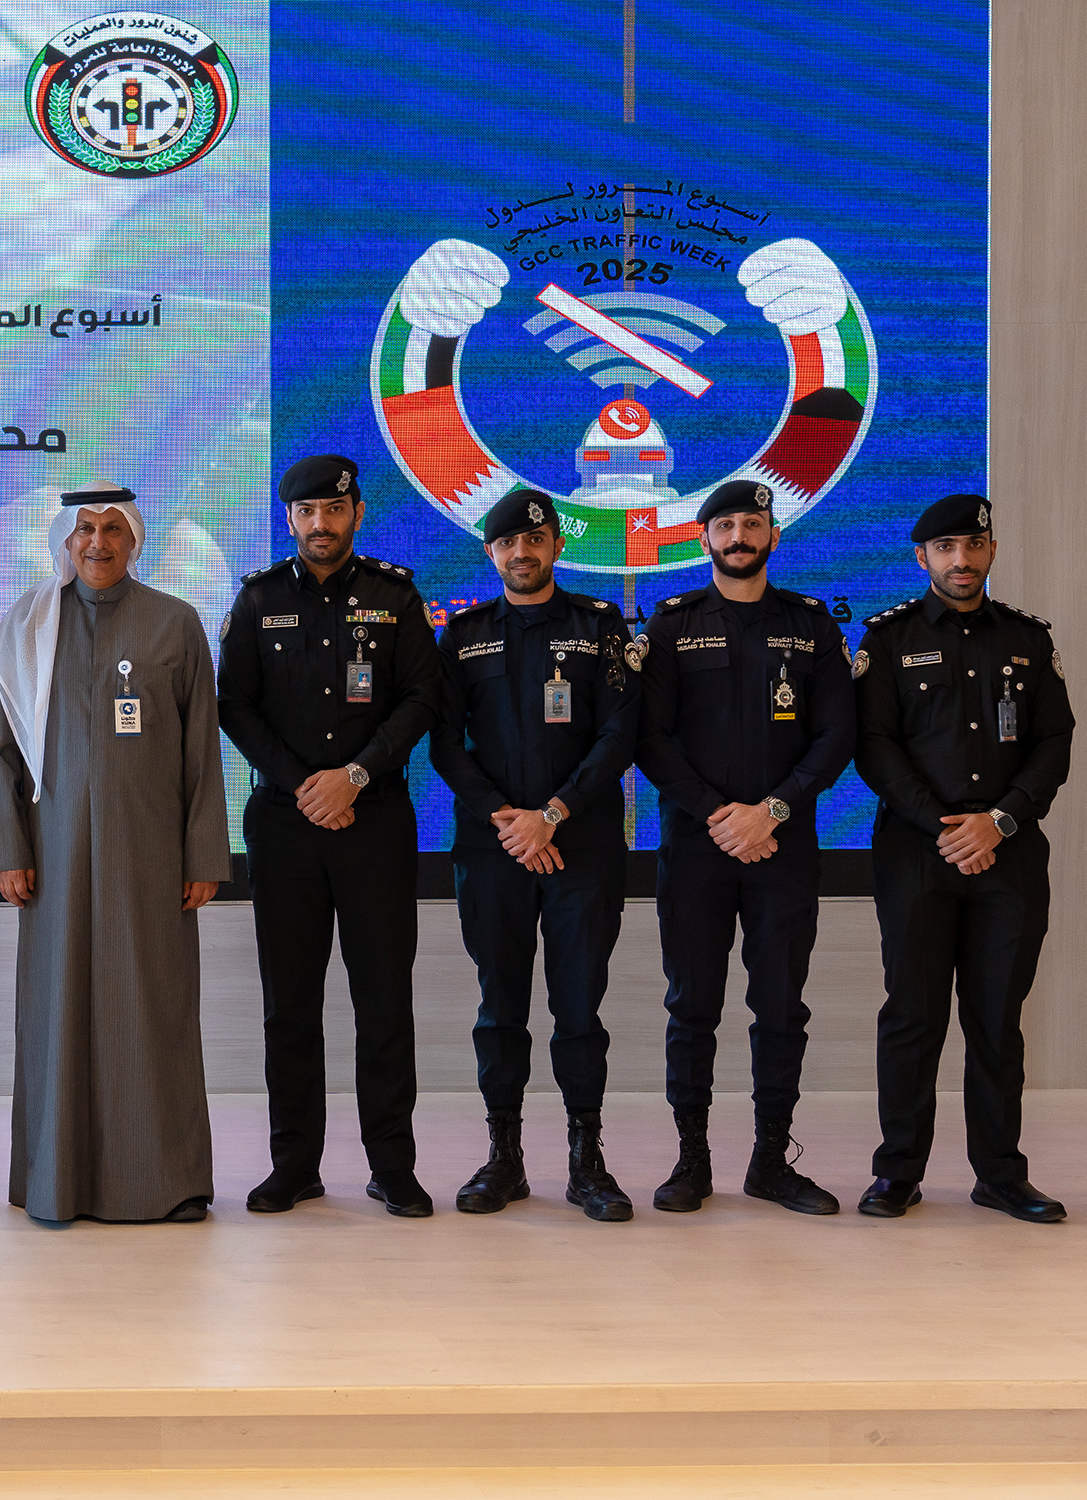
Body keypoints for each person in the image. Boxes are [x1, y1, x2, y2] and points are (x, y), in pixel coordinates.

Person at [0, 484, 229, 1225]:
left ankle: (169, 1182)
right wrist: (6, 848)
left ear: (135, 539)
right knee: (56, 1014)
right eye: (84, 529)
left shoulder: (175, 624)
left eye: (112, 529)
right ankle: (56, 1180)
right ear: (64, 538)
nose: (97, 543)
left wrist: (202, 853)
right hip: (51, 857)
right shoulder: (26, 625)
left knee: (154, 1012)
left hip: (150, 857)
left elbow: (200, 751)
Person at [217, 454, 445, 1218]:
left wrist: (356, 774)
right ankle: (294, 1164)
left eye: (334, 510)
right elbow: (236, 706)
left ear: (356, 513)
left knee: (383, 1001)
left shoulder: (395, 594)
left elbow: (420, 698)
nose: (321, 524)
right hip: (284, 825)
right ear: (290, 519)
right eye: (307, 512)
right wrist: (304, 785)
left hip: (374, 820)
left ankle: (392, 1165)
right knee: (290, 1006)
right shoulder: (257, 599)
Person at [633, 478, 855, 1216]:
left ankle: (770, 1160)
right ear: (704, 539)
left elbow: (835, 736)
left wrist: (774, 811)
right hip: (697, 848)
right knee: (691, 1006)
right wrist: (721, 817)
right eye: (724, 525)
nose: (738, 536)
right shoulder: (669, 625)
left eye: (751, 523)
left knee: (780, 1007)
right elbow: (651, 740)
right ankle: (690, 1160)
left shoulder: (811, 626)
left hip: (783, 848)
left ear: (773, 536)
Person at [853, 494, 1074, 1224]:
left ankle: (1002, 1176)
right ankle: (897, 1174)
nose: (960, 560)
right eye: (944, 548)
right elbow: (874, 747)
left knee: (996, 1022)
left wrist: (999, 822)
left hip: (1008, 860)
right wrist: (946, 826)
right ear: (922, 558)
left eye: (972, 546)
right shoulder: (886, 640)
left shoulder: (1027, 640)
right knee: (912, 1019)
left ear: (992, 551)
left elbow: (1053, 744)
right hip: (917, 858)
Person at [430, 488, 639, 1221]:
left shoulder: (599, 626)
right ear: (491, 554)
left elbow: (620, 735)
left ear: (555, 546)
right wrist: (508, 821)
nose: (521, 552)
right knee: (500, 1010)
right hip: (493, 851)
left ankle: (587, 1162)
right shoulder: (462, 636)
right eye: (507, 543)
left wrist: (552, 815)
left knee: (579, 1009)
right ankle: (505, 1158)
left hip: (579, 846)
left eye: (535, 540)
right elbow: (445, 747)